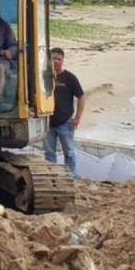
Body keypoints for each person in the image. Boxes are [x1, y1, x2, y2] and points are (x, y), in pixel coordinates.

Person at [44, 47, 86, 178]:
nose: (56, 61)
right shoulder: (43, 76)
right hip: (47, 123)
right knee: (49, 153)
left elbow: (82, 96)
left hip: (66, 122)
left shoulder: (70, 77)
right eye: (53, 58)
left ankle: (71, 179)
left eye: (59, 59)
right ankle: (53, 179)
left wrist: (78, 118)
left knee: (69, 153)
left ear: (63, 61)